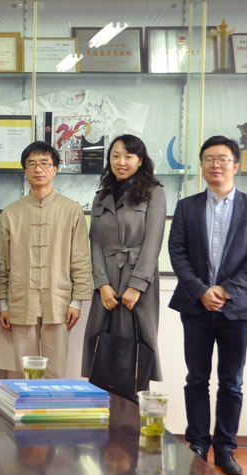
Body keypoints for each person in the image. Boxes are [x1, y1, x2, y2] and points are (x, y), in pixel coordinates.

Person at [168, 135, 247, 475]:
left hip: (237, 309)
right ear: (201, 165)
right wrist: (200, 291)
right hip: (196, 308)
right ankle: (198, 443)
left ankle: (225, 447)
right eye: (209, 158)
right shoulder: (187, 206)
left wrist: (226, 291)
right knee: (196, 379)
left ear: (235, 166)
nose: (216, 164)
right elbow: (177, 253)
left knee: (231, 381)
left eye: (223, 159)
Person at [0, 141, 92, 378]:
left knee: (55, 371)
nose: (38, 169)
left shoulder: (72, 210)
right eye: (32, 164)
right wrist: (3, 305)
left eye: (44, 164)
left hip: (59, 301)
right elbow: (2, 263)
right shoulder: (10, 213)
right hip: (21, 300)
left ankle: (52, 404)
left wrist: (77, 302)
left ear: (55, 169)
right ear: (25, 170)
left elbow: (81, 259)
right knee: (23, 372)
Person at [82, 135, 166, 388]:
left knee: (137, 352)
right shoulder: (101, 196)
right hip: (107, 280)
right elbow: (95, 242)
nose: (121, 162)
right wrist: (102, 284)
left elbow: (153, 241)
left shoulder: (154, 192)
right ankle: (103, 408)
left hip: (139, 281)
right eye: (115, 156)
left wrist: (136, 286)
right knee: (102, 350)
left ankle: (133, 408)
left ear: (140, 160)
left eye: (129, 156)